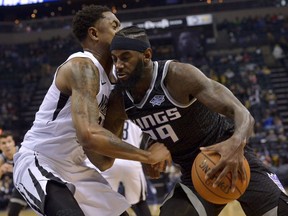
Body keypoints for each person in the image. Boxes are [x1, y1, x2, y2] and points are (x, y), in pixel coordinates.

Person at [109, 26, 288, 216]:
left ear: (146, 55)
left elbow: (242, 113)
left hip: (232, 155)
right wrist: (145, 152)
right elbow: (117, 144)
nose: (118, 65)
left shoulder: (177, 76)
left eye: (125, 57)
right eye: (114, 59)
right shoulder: (119, 99)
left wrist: (235, 144)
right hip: (194, 173)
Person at [13, 6, 171, 216]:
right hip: (39, 159)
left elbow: (102, 162)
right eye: (114, 25)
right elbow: (88, 135)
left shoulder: (113, 84)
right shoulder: (82, 66)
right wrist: (147, 156)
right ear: (94, 33)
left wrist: (120, 112)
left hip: (76, 166)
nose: (120, 30)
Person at [102, 120, 152, 216]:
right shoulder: (137, 119)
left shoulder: (109, 118)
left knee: (107, 203)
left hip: (110, 161)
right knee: (139, 202)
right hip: (132, 161)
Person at [0, 131, 27, 215]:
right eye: (4, 143)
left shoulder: (22, 152)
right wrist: (1, 171)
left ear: (13, 143)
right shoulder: (1, 158)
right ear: (0, 146)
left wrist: (14, 169)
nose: (7, 145)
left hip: (31, 183)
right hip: (18, 188)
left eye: (9, 142)